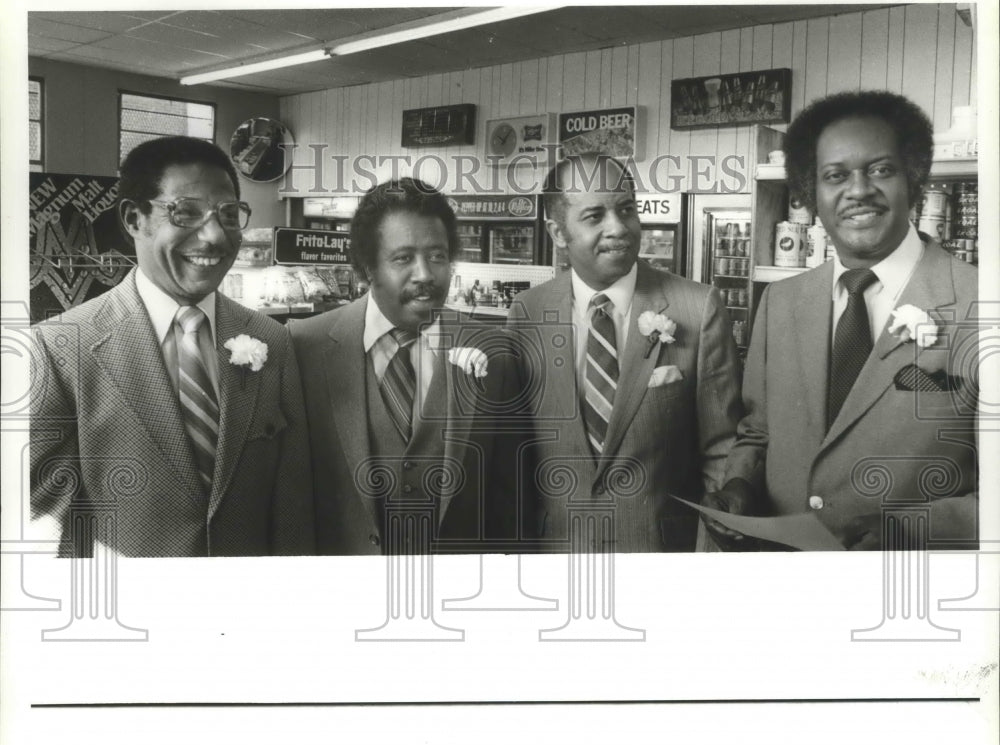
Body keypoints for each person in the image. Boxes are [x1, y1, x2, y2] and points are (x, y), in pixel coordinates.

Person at [704, 91, 979, 550]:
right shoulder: (780, 301)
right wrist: (741, 487)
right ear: (812, 192)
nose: (857, 190)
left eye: (881, 170)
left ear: (913, 179)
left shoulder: (981, 302)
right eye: (835, 176)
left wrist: (911, 529)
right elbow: (759, 432)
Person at [30, 136, 316, 557]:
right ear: (134, 218)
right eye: (185, 212)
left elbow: (292, 502)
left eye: (229, 214)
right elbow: (46, 524)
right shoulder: (60, 347)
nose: (215, 236)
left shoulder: (272, 340)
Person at [509, 153, 743, 552]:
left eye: (626, 209)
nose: (618, 228)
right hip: (556, 552)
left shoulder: (696, 307)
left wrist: (710, 555)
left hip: (661, 557)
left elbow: (722, 450)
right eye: (594, 216)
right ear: (558, 232)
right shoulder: (528, 311)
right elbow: (516, 450)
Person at [289, 178, 523, 554]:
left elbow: (511, 496)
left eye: (437, 256)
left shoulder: (496, 352)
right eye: (403, 258)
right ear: (366, 269)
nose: (426, 274)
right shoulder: (305, 348)